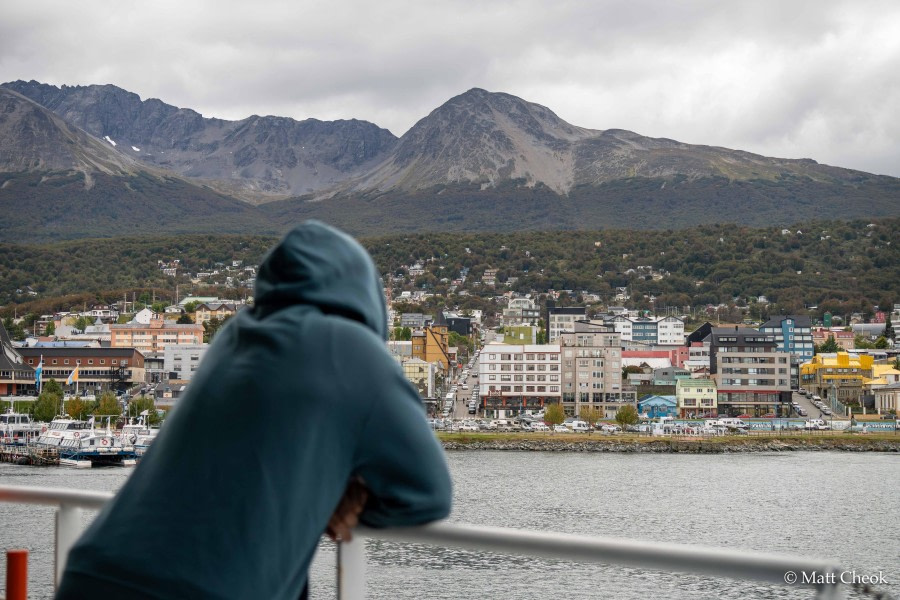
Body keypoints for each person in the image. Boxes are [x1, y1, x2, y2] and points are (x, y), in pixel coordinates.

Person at [57, 221, 453, 599]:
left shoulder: (234, 336)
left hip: (94, 573)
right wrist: (333, 502)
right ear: (366, 296)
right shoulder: (354, 349)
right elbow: (427, 493)